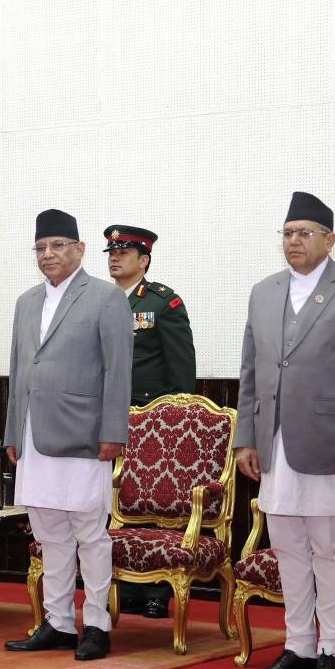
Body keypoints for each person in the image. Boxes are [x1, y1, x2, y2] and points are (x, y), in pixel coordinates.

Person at [235, 192, 335, 669]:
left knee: (327, 546)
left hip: (329, 441)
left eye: (304, 233)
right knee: (287, 547)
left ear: (330, 239)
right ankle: (298, 646)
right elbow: (251, 373)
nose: (293, 241)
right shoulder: (264, 291)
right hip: (272, 440)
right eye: (287, 233)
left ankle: (331, 651)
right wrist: (245, 438)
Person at [3, 209, 133, 661]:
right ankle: (57, 622)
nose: (48, 254)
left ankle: (96, 624)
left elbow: (118, 370)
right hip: (34, 436)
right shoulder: (26, 302)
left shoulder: (105, 297)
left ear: (79, 249)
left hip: (84, 435)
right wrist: (12, 431)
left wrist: (113, 431)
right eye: (40, 247)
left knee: (90, 534)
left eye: (57, 245)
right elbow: (19, 371)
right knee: (49, 533)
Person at [104, 224, 196, 619]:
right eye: (111, 251)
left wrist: (175, 419)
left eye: (123, 251)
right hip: (106, 421)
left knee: (157, 505)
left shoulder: (162, 303)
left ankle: (158, 591)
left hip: (152, 423)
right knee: (113, 503)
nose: (115, 257)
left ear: (143, 260)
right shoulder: (99, 301)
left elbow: (181, 368)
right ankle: (123, 588)